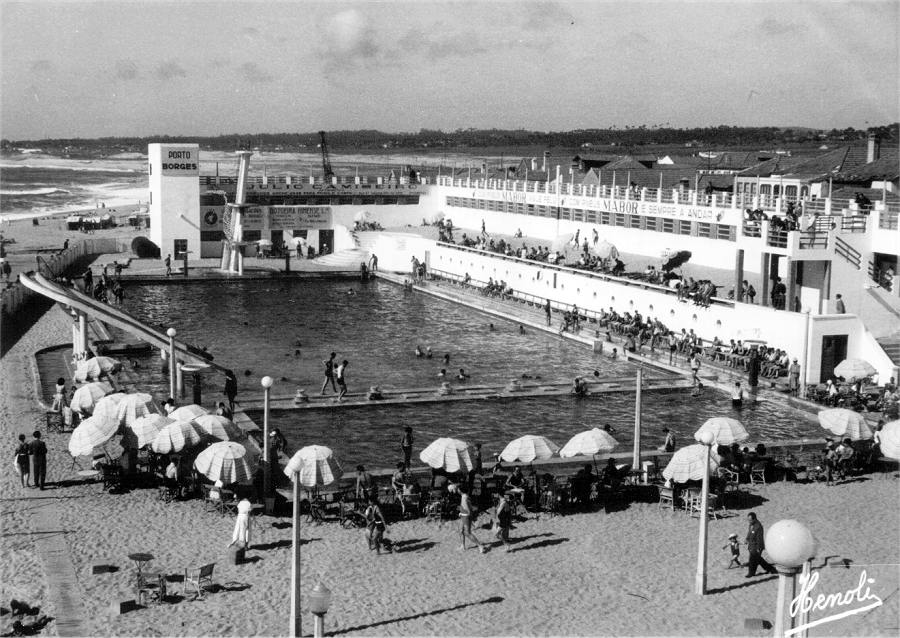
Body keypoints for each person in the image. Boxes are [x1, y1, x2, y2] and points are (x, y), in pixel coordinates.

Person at [745, 512, 778, 577]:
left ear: (754, 519)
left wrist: (758, 548)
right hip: (751, 545)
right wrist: (747, 539)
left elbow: (759, 538)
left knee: (752, 559)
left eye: (750, 520)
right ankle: (771, 569)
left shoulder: (758, 526)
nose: (749, 521)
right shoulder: (751, 524)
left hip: (757, 546)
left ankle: (751, 573)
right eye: (748, 520)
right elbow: (749, 533)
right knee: (758, 559)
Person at [458, 485, 488, 553]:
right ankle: (462, 546)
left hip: (466, 516)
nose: (457, 490)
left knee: (467, 533)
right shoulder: (464, 496)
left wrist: (469, 515)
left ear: (460, 490)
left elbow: (467, 508)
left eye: (458, 489)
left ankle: (480, 546)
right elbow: (467, 506)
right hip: (463, 515)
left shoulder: (465, 497)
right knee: (460, 530)